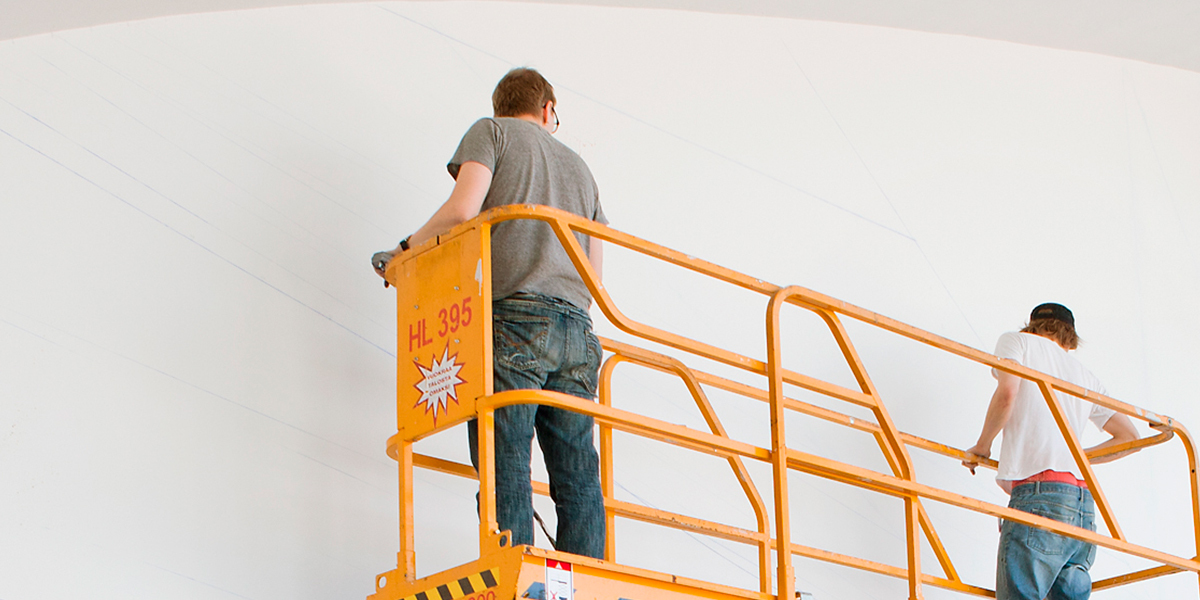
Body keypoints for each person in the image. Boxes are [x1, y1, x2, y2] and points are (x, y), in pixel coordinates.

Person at [372, 68, 607, 559]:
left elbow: (462, 210)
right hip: (580, 332)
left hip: (514, 321)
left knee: (505, 465)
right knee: (579, 476)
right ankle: (582, 582)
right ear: (547, 109)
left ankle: (515, 575)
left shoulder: (492, 131)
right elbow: (595, 272)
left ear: (504, 105)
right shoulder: (581, 170)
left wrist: (403, 252)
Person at [962, 303, 1139, 600]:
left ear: (1032, 326)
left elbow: (1007, 391)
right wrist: (1073, 456)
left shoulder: (1018, 342)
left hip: (1039, 495)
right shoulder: (1085, 375)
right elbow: (1130, 436)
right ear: (1070, 335)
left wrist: (982, 446)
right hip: (1082, 505)